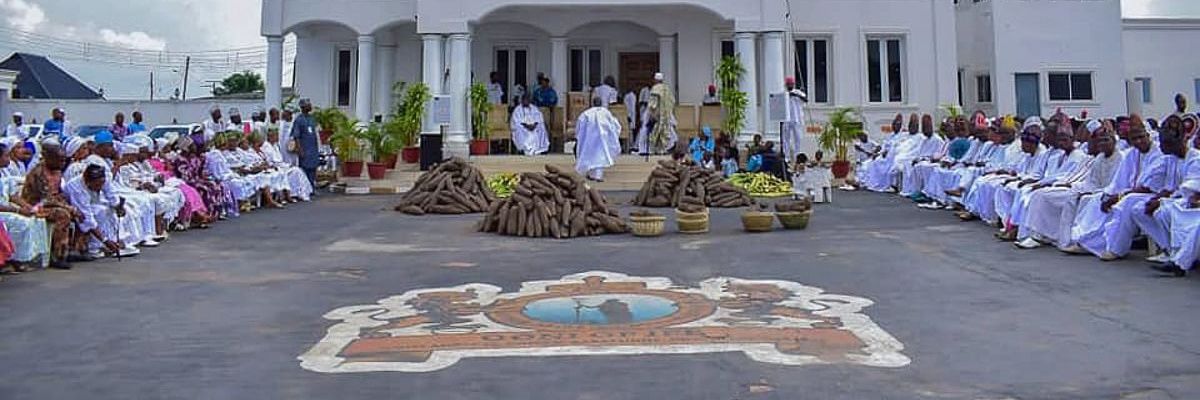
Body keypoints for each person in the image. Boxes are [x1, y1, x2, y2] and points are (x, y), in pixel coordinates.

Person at [1069, 114, 1164, 260]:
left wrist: (1119, 196)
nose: (1138, 141)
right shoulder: (1132, 154)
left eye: (1141, 137)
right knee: (1097, 199)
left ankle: (1116, 249)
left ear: (1148, 135)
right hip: (1130, 193)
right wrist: (1109, 194)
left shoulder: (1158, 153)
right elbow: (1119, 181)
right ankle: (1085, 242)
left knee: (1126, 203)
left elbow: (1149, 187)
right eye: (1134, 138)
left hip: (1151, 194)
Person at [1017, 125, 1121, 250]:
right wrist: (1076, 188)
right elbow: (1090, 181)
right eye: (1100, 141)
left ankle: (1077, 240)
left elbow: (1116, 184)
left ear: (1114, 141)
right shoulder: (1098, 158)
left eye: (1106, 140)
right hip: (1083, 189)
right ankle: (1039, 235)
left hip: (1105, 193)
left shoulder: (1120, 157)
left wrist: (1080, 189)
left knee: (1054, 197)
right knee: (1040, 194)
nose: (1102, 144)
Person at [63, 164, 134, 258]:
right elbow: (87, 219)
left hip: (93, 203)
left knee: (110, 209)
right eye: (97, 185)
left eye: (102, 184)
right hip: (75, 209)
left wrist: (118, 206)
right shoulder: (76, 188)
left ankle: (117, 241)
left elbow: (111, 195)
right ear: (87, 182)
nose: (100, 187)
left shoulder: (102, 180)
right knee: (99, 212)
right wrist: (105, 240)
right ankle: (94, 247)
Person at [0, 143, 50, 270]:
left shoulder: (4, 172)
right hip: (3, 210)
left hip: (8, 207)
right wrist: (18, 210)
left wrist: (29, 208)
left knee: (37, 219)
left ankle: (31, 257)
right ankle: (14, 260)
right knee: (21, 223)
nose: (8, 159)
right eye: (6, 156)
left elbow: (13, 196)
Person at [172, 132, 234, 221]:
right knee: (204, 189)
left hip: (197, 179)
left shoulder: (194, 158)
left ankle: (216, 212)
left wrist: (204, 178)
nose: (194, 147)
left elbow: (200, 172)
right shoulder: (180, 160)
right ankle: (204, 214)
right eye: (192, 146)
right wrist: (200, 180)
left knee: (215, 185)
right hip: (187, 182)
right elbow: (186, 176)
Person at [574, 97, 622, 182]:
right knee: (600, 156)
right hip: (602, 139)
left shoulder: (586, 113)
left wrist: (579, 136)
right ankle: (596, 176)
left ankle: (595, 175)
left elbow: (579, 126)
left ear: (593, 103)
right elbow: (615, 124)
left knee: (591, 156)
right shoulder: (606, 112)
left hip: (589, 140)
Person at [290, 99, 320, 190]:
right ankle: (305, 189)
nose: (310, 106)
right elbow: (296, 136)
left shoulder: (311, 118)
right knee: (305, 169)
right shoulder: (299, 120)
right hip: (305, 148)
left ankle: (311, 188)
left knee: (313, 168)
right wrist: (300, 149)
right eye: (308, 105)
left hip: (313, 148)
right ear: (303, 107)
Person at [646, 72, 678, 155]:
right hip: (666, 115)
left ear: (655, 80)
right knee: (664, 132)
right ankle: (662, 150)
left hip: (657, 114)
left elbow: (653, 103)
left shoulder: (655, 89)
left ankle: (652, 150)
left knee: (654, 131)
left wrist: (651, 113)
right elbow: (673, 101)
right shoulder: (667, 89)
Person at [781, 77, 807, 162]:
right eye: (788, 84)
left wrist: (796, 95)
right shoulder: (784, 93)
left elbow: (805, 100)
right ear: (786, 85)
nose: (790, 85)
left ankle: (797, 156)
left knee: (798, 138)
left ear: (794, 84)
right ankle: (786, 157)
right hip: (786, 119)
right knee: (786, 139)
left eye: (791, 84)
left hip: (797, 118)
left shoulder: (798, 92)